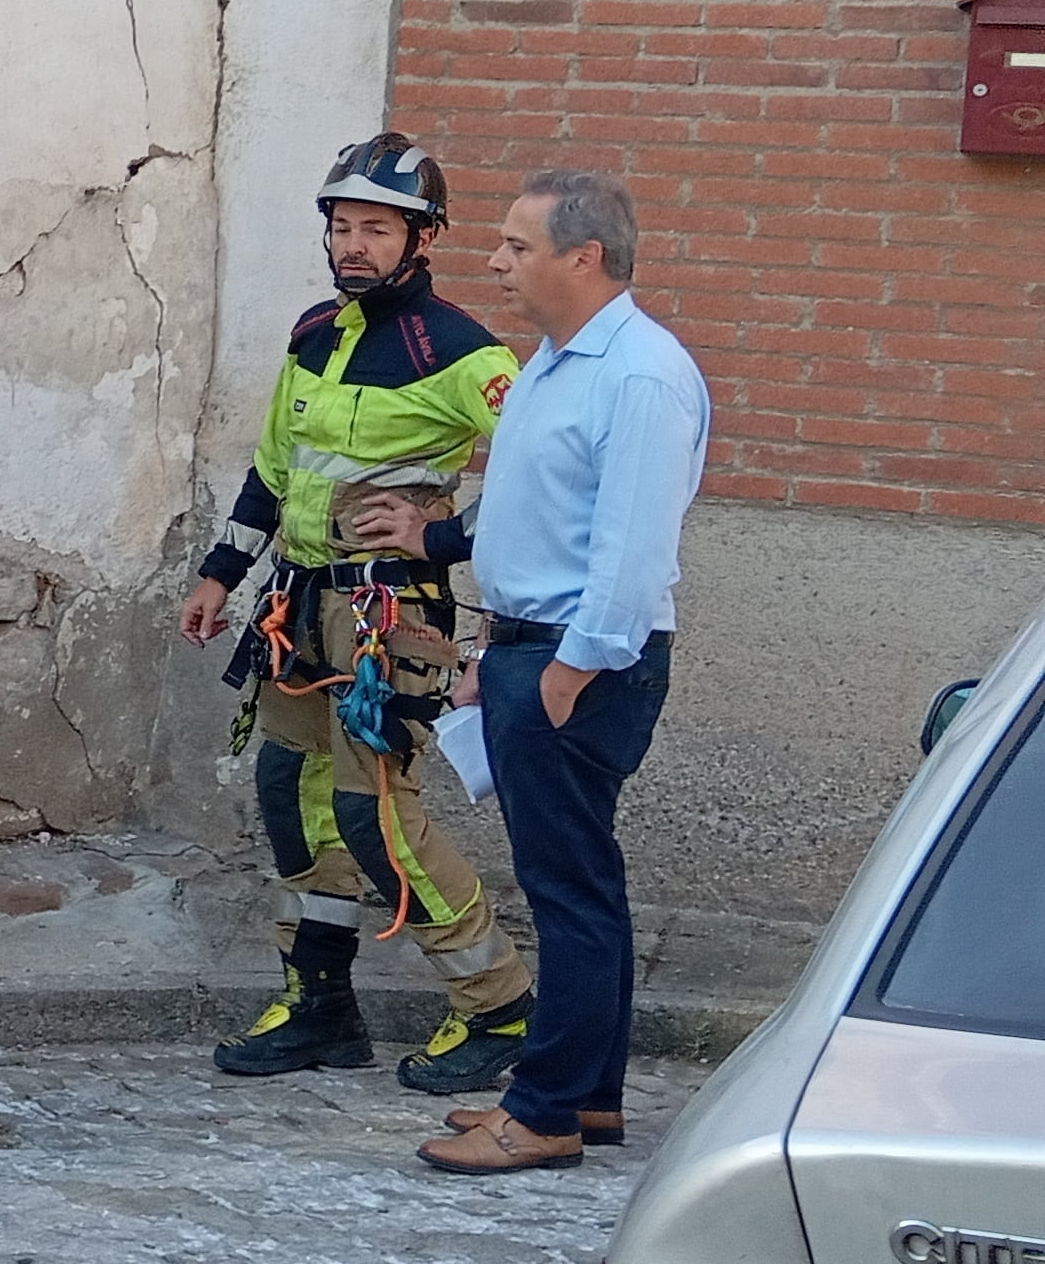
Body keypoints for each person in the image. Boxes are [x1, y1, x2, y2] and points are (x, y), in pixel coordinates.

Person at [179, 134, 532, 1086]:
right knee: (293, 800)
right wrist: (221, 568)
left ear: (422, 237)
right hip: (295, 605)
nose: (353, 246)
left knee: (374, 813)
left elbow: (550, 476)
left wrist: (443, 540)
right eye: (342, 226)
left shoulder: (464, 352)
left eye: (376, 228)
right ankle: (321, 1007)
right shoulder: (313, 333)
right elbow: (274, 469)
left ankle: (499, 1008)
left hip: (390, 620)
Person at [422, 168, 710, 1177]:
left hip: (576, 664)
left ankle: (543, 1111)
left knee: (568, 889)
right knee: (579, 883)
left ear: (583, 257)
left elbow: (631, 556)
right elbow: (527, 519)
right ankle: (586, 1097)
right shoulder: (554, 363)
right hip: (527, 649)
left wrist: (567, 671)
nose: (496, 262)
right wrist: (489, 657)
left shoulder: (638, 375)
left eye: (516, 245)